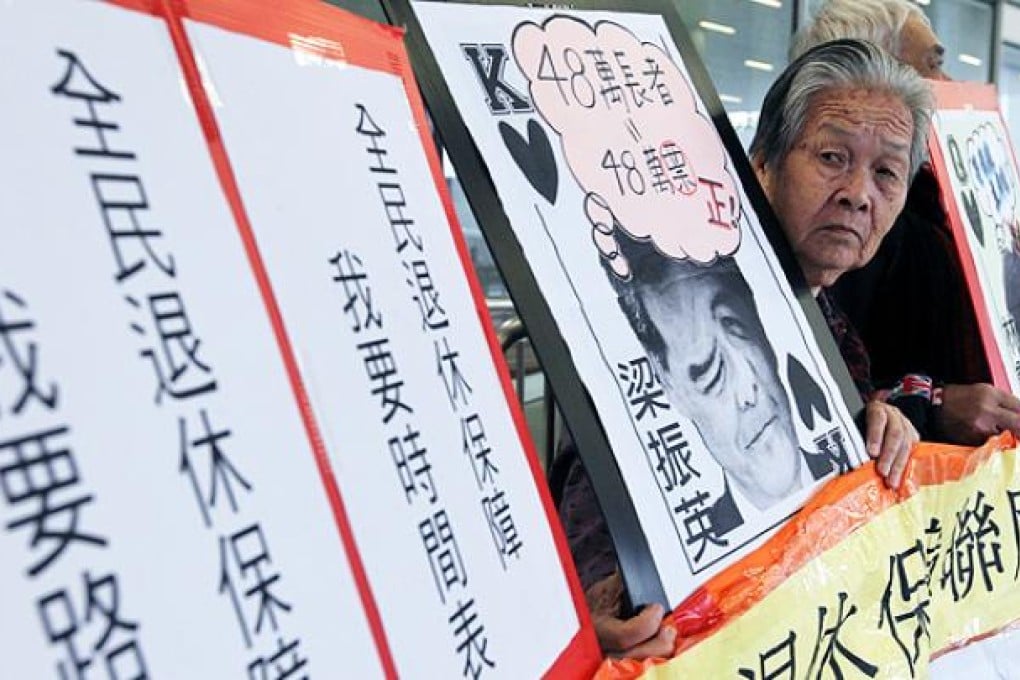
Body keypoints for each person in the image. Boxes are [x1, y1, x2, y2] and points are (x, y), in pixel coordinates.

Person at [559, 38, 924, 658]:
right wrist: (596, 613)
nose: (859, 193)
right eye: (832, 157)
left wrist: (880, 423)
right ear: (761, 165)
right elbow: (603, 498)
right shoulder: (682, 302)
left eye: (886, 172)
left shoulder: (824, 319)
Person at [793, 0, 1020, 445]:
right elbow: (831, 396)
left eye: (886, 172)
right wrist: (930, 406)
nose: (949, 85)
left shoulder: (937, 202)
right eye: (932, 67)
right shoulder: (842, 223)